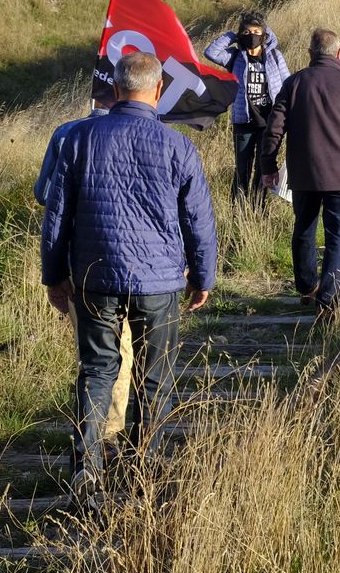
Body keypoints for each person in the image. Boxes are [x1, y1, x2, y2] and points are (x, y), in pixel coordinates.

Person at [40, 51, 216, 497]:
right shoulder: (178, 146)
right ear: (157, 91)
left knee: (96, 370)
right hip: (158, 282)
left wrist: (53, 275)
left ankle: (88, 467)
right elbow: (198, 218)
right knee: (153, 375)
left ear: (115, 89)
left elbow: (56, 216)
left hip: (94, 276)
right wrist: (204, 274)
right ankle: (145, 463)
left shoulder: (78, 139)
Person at [261, 29, 340, 317]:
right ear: (339, 53)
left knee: (304, 228)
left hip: (304, 174)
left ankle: (306, 286)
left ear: (310, 53)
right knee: (337, 237)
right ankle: (328, 299)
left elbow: (274, 129)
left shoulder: (294, 84)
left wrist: (268, 166)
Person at [34, 94, 132, 450]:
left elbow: (44, 193)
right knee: (125, 348)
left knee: (92, 353)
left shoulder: (67, 134)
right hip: (138, 266)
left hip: (80, 263)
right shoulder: (146, 130)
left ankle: (96, 432)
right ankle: (110, 432)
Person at [204, 11, 291, 205]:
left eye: (256, 31)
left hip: (269, 123)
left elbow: (288, 84)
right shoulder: (235, 57)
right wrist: (233, 35)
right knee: (242, 169)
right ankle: (238, 210)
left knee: (263, 170)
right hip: (243, 122)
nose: (252, 35)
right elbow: (210, 52)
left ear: (264, 34)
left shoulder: (275, 56)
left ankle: (257, 210)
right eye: (247, 31)